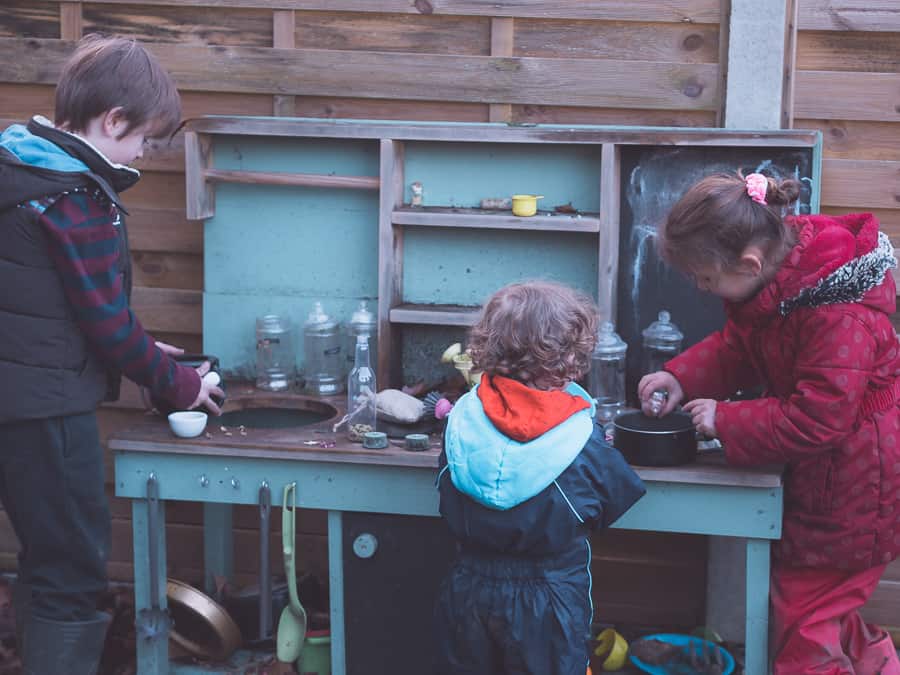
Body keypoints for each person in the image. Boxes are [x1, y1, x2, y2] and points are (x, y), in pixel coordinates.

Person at [0, 34, 223, 674]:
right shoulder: (74, 195)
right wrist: (179, 384)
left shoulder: (19, 168)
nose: (144, 157)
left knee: (42, 558)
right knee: (68, 567)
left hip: (14, 395)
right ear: (112, 120)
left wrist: (143, 344)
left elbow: (46, 300)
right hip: (47, 410)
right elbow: (104, 324)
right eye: (144, 141)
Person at [639, 171, 900, 673]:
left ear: (749, 262)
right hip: (836, 478)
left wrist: (726, 419)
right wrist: (683, 378)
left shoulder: (836, 314)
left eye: (706, 279)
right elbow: (740, 346)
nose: (700, 287)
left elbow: (819, 415)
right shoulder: (786, 281)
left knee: (804, 626)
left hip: (859, 484)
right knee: (826, 610)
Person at [434, 281, 646, 675]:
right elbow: (612, 501)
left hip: (468, 591)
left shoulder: (462, 419)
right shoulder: (580, 438)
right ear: (567, 360)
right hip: (548, 597)